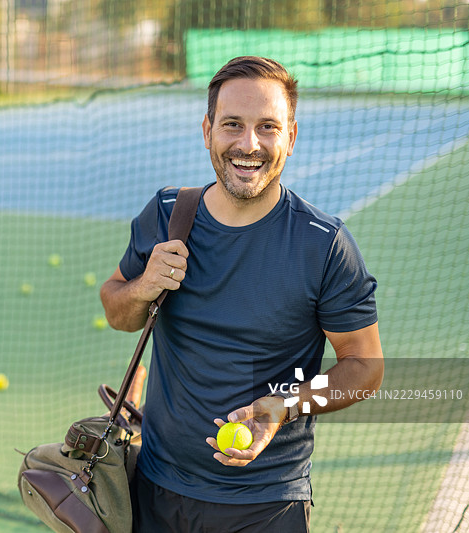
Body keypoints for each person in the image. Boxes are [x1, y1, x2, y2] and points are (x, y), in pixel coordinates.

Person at [100, 56, 384, 532]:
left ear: (290, 137)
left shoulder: (323, 244)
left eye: (267, 127)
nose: (248, 145)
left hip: (265, 505)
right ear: (208, 129)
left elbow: (365, 367)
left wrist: (281, 407)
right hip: (156, 488)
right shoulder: (168, 213)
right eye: (232, 124)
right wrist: (145, 286)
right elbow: (118, 313)